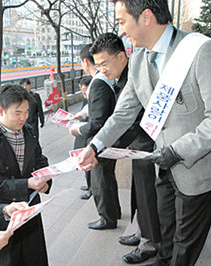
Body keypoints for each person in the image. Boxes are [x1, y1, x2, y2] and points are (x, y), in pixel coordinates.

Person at [78, 1, 211, 265]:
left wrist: (177, 151)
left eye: (122, 21)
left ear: (146, 17)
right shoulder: (138, 58)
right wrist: (95, 146)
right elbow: (123, 113)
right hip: (163, 166)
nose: (122, 31)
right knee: (164, 234)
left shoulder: (200, 50)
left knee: (184, 246)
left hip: (195, 169)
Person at [90, 32, 161, 264]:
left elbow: (131, 118)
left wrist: (107, 147)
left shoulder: (136, 75)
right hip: (135, 146)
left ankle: (150, 243)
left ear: (121, 56)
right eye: (98, 65)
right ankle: (143, 233)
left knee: (147, 195)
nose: (102, 70)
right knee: (139, 194)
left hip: (147, 146)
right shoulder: (122, 78)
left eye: (104, 64)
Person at [0, 84, 52, 266]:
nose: (24, 117)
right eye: (18, 113)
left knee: (32, 256)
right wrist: (27, 184)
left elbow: (39, 159)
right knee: (5, 259)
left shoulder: (28, 132)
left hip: (28, 208)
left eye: (26, 111)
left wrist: (45, 177)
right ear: (1, 111)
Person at [69, 44, 120, 230]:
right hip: (108, 138)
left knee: (100, 180)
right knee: (108, 177)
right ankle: (114, 212)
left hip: (100, 140)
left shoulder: (97, 83)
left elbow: (97, 121)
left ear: (84, 61)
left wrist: (78, 129)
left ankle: (107, 217)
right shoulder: (103, 81)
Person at [73, 76, 92, 200]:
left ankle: (92, 189)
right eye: (81, 90)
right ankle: (89, 185)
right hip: (82, 136)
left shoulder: (95, 100)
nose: (83, 92)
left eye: (85, 89)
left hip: (89, 137)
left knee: (89, 165)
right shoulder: (87, 100)